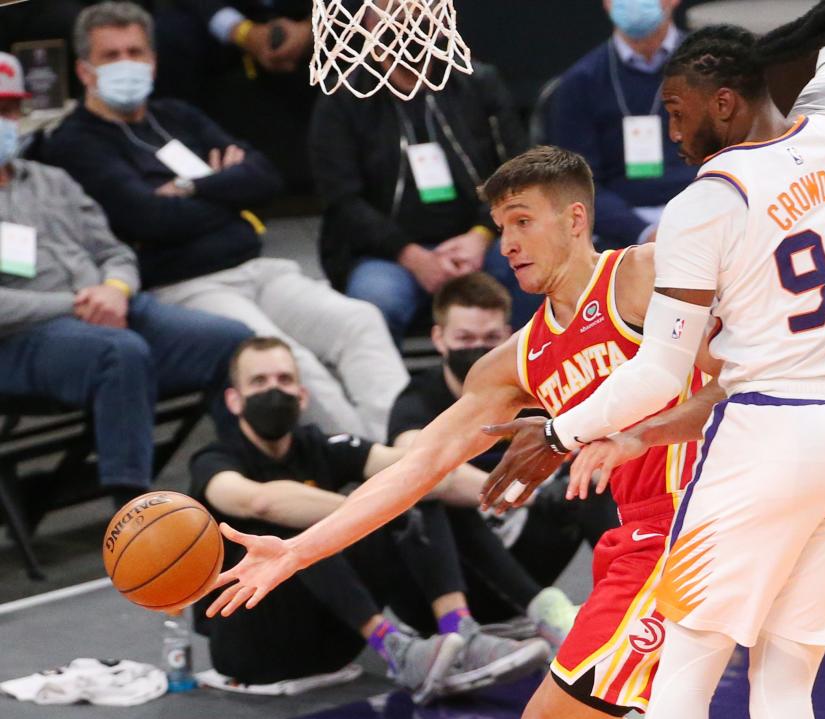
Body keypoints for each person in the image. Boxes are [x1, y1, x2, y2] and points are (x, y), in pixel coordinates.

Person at [482, 3, 825, 719]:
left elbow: (658, 369)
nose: (673, 133)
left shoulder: (706, 202)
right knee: (784, 677)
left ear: (725, 102)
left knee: (684, 661)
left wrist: (559, 431)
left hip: (773, 435)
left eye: (678, 113)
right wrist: (792, 39)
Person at [205, 147, 725, 719]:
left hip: (698, 526)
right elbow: (417, 468)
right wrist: (297, 551)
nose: (507, 242)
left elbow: (738, 379)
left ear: (576, 219)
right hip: (636, 539)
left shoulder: (642, 276)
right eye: (501, 226)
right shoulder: (516, 361)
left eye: (523, 221)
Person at [45, 1, 408, 441]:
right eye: (111, 56)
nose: (127, 64)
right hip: (183, 287)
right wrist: (223, 185)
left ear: (154, 61)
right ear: (85, 71)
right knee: (285, 359)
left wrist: (192, 189)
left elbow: (265, 177)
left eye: (135, 53)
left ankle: (415, 453)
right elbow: (150, 216)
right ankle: (381, 472)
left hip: (255, 268)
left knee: (359, 321)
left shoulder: (176, 115)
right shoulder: (74, 142)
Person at [191, 336, 550, 701]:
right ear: (233, 400)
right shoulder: (214, 460)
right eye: (259, 382)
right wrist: (367, 509)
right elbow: (260, 502)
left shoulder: (320, 445)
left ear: (302, 395)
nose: (274, 391)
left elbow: (424, 468)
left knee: (419, 487)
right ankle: (394, 648)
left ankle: (464, 627)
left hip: (331, 638)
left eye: (284, 380)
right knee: (290, 523)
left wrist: (527, 489)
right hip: (251, 640)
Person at [0, 51, 251, 511]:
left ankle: (245, 484)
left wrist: (114, 289)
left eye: (9, 109)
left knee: (233, 343)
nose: (5, 120)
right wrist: (77, 302)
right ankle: (135, 516)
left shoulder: (53, 180)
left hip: (108, 307)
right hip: (21, 337)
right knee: (121, 354)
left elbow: (113, 250)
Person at [388, 271, 619, 648]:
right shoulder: (417, 399)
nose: (477, 348)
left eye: (490, 339)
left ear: (509, 336)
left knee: (590, 479)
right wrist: (510, 491)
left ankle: (629, 602)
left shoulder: (533, 388)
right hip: (443, 578)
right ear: (439, 339)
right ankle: (472, 628)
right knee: (428, 491)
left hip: (523, 548)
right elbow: (411, 460)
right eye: (465, 339)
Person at [309, 18, 540, 342]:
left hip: (484, 240)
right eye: (392, 11)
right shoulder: (343, 98)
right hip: (387, 253)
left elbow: (520, 172)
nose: (405, 20)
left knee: (537, 277)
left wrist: (482, 233)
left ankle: (534, 385)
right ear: (367, 22)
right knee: (375, 306)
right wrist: (411, 255)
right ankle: (395, 394)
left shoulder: (478, 82)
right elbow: (342, 199)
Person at [544, 0, 696, 249]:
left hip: (704, 215)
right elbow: (578, 182)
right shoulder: (580, 83)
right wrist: (643, 233)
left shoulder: (710, 70)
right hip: (621, 233)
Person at [152, 0, 317, 191]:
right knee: (171, 31)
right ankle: (181, 165)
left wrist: (314, 27)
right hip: (220, 15)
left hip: (319, 16)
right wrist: (241, 31)